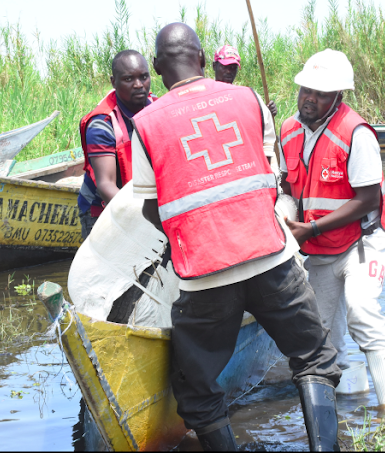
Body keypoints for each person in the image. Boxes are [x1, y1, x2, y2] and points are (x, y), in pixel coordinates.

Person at [132, 23, 341, 452]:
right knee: (313, 356)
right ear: (204, 58)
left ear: (155, 68)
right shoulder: (248, 100)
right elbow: (270, 175)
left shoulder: (145, 124)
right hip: (270, 257)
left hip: (205, 273)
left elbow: (151, 207)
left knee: (195, 389)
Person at [279, 49, 385, 412]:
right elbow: (291, 186)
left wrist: (311, 227)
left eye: (320, 93)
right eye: (306, 90)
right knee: (319, 332)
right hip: (318, 245)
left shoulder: (356, 133)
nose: (309, 98)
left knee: (362, 310)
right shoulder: (289, 131)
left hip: (364, 241)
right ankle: (346, 406)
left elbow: (368, 200)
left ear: (339, 96)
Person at [77, 50, 156, 239]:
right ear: (114, 82)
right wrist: (146, 220)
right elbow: (106, 185)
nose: (138, 85)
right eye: (129, 79)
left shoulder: (157, 108)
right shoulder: (102, 124)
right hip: (103, 209)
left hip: (142, 199)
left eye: (143, 77)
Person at [213, 44, 278, 117]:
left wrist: (267, 113)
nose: (229, 71)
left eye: (233, 67)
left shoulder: (242, 96)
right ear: (214, 66)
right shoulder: (206, 95)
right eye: (225, 67)